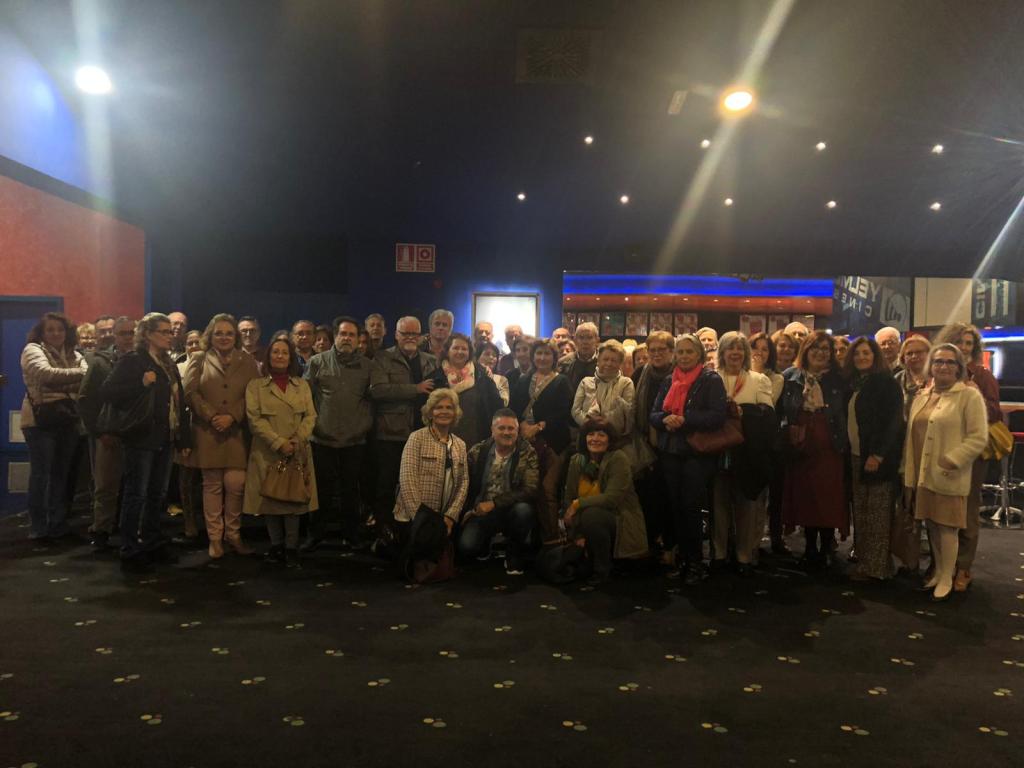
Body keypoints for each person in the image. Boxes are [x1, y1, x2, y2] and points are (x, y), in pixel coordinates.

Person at [100, 313, 191, 572]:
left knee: (157, 494)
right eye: (164, 331)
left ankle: (152, 541)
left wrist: (183, 436)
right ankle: (129, 547)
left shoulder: (168, 363)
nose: (169, 336)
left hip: (165, 435)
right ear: (148, 334)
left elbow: (179, 402)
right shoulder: (134, 360)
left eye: (170, 331)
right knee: (136, 493)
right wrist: (141, 384)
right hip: (141, 435)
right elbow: (108, 391)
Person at [903, 343, 988, 601]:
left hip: (949, 474)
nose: (943, 366)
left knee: (947, 529)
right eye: (938, 361)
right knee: (931, 524)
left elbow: (978, 437)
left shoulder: (969, 396)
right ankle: (939, 572)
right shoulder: (922, 396)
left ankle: (947, 577)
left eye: (950, 362)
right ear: (931, 366)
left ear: (959, 367)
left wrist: (953, 460)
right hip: (923, 473)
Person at [650, 333, 727, 585]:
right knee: (675, 507)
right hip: (671, 451)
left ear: (699, 355)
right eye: (680, 352)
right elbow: (654, 413)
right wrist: (665, 419)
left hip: (697, 453)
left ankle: (695, 563)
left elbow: (717, 416)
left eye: (689, 352)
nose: (684, 356)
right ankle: (682, 559)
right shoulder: (669, 380)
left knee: (691, 508)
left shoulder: (711, 379)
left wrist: (685, 419)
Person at [184, 313, 261, 558]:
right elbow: (189, 392)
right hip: (208, 431)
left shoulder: (247, 361)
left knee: (236, 485)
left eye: (229, 333)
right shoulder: (199, 358)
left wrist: (233, 416)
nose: (224, 337)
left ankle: (233, 535)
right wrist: (212, 416)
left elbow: (254, 393)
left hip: (236, 432)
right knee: (212, 486)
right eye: (219, 333)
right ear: (210, 335)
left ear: (235, 336)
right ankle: (215, 539)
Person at [937, 322, 1002, 592]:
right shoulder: (941, 372)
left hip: (972, 454)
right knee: (942, 509)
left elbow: (995, 414)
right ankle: (943, 565)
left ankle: (963, 567)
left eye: (968, 343)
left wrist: (975, 393)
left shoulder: (982, 376)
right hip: (943, 450)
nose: (964, 348)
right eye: (959, 342)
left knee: (967, 509)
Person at [243, 335, 318, 568]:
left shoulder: (302, 385)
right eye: (275, 351)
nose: (280, 356)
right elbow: (254, 419)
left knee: (293, 501)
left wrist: (296, 441)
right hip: (267, 451)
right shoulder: (255, 386)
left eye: (285, 352)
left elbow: (310, 416)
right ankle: (276, 545)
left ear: (291, 358)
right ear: (268, 356)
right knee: (270, 499)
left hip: (296, 451)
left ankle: (291, 547)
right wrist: (278, 442)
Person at [302, 316, 375, 552]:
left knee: (350, 491)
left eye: (352, 335)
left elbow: (373, 399)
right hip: (322, 439)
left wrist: (363, 425)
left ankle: (351, 535)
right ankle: (315, 534)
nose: (347, 338)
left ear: (357, 339)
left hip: (354, 441)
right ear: (335, 336)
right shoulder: (317, 362)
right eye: (343, 334)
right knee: (320, 491)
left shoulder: (368, 366)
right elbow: (304, 397)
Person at [780, 331, 849, 570]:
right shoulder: (790, 377)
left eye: (825, 349)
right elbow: (782, 411)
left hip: (831, 445)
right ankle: (810, 548)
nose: (820, 353)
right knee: (806, 496)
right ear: (806, 351)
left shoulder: (840, 379)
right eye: (815, 348)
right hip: (801, 445)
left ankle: (827, 546)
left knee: (828, 497)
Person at [369, 315, 441, 544]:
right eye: (405, 333)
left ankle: (414, 531)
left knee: (419, 486)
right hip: (391, 433)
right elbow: (378, 390)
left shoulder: (431, 361)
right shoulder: (382, 358)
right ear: (396, 335)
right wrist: (415, 389)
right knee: (387, 483)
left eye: (414, 334)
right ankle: (383, 531)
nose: (410, 338)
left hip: (423, 433)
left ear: (421, 336)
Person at [19, 312, 88, 541]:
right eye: (50, 329)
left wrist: (65, 381)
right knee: (41, 474)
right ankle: (38, 527)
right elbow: (45, 374)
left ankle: (57, 524)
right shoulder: (32, 350)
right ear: (42, 332)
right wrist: (78, 376)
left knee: (60, 474)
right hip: (40, 422)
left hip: (67, 419)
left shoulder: (74, 353)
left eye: (60, 329)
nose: (56, 333)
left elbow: (86, 381)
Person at [710, 332, 774, 574]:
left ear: (746, 353)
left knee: (746, 505)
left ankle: (744, 555)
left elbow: (768, 416)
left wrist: (743, 412)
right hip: (717, 451)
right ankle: (718, 553)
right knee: (718, 504)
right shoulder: (711, 378)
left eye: (739, 348)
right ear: (722, 353)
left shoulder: (758, 380)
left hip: (746, 453)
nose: (735, 353)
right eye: (730, 348)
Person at [843, 337, 904, 581]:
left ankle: (877, 569)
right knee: (862, 513)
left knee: (878, 516)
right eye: (857, 353)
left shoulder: (886, 383)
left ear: (875, 355)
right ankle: (866, 563)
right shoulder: (856, 384)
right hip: (857, 456)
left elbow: (893, 423)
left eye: (866, 353)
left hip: (877, 458)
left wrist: (877, 455)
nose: (861, 357)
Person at [561, 416, 648, 584]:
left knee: (592, 514)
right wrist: (577, 534)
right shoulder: (577, 460)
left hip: (619, 519)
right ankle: (591, 558)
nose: (595, 439)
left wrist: (578, 504)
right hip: (585, 520)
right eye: (591, 434)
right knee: (588, 516)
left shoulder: (618, 458)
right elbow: (568, 498)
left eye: (601, 435)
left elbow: (611, 499)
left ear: (610, 440)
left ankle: (602, 569)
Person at [458, 409, 540, 574]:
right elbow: (464, 484)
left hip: (512, 511)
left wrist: (494, 503)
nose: (506, 432)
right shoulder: (477, 451)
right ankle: (484, 543)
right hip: (481, 512)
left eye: (511, 428)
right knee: (467, 548)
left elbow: (530, 490)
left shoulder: (528, 452)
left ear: (517, 431)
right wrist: (467, 511)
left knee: (524, 510)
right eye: (501, 428)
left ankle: (514, 551)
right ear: (492, 430)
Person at [78, 315, 135, 549]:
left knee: (135, 487)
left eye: (132, 333)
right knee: (106, 486)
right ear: (116, 336)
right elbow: (85, 400)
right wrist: (99, 432)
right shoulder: (100, 363)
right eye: (123, 333)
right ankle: (101, 530)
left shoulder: (146, 361)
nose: (128, 338)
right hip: (108, 433)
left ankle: (130, 529)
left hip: (138, 434)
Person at [509, 338, 574, 542]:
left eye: (547, 354)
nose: (542, 357)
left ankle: (551, 538)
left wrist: (539, 427)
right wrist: (522, 425)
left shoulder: (561, 381)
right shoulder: (523, 380)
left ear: (554, 357)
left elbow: (564, 412)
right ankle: (530, 539)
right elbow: (514, 407)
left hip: (553, 443)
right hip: (526, 442)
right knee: (527, 489)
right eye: (539, 353)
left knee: (547, 490)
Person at [393, 388, 469, 543]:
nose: (444, 411)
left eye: (449, 407)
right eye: (438, 407)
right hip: (413, 520)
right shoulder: (417, 438)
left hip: (444, 521)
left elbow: (464, 483)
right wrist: (422, 519)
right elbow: (407, 479)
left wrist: (451, 516)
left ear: (455, 413)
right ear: (430, 412)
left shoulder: (460, 445)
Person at [633, 331, 675, 560]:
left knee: (668, 498)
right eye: (652, 350)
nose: (656, 354)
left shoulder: (679, 375)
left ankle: (670, 546)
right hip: (644, 446)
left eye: (662, 350)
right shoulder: (640, 373)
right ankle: (648, 544)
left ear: (671, 352)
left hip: (671, 446)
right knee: (646, 497)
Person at [439, 333, 503, 451]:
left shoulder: (482, 374)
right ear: (447, 351)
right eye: (456, 348)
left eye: (464, 349)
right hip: (443, 437)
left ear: (469, 352)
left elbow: (496, 404)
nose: (460, 351)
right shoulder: (437, 376)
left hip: (477, 437)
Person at [173, 329, 204, 542]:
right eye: (189, 343)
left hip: (207, 427)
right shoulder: (177, 367)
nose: (193, 347)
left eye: (197, 342)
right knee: (186, 480)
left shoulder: (212, 366)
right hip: (186, 428)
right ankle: (189, 524)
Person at [571, 339, 635, 437]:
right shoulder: (585, 382)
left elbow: (629, 413)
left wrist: (606, 426)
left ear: (620, 363)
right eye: (605, 359)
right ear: (598, 360)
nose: (609, 363)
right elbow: (575, 411)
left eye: (614, 360)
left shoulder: (626, 383)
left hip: (616, 438)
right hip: (588, 436)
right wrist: (591, 424)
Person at [895, 335, 932, 420]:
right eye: (909, 353)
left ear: (929, 354)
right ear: (903, 358)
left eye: (919, 352)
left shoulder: (936, 378)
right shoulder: (897, 379)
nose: (914, 356)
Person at [475, 340, 510, 406]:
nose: (491, 357)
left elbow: (504, 403)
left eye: (494, 355)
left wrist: (489, 380)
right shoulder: (470, 375)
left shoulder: (502, 379)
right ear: (478, 358)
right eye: (487, 354)